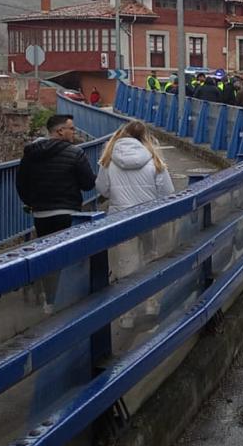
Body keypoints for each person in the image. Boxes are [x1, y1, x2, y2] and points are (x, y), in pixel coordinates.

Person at [96, 121, 176, 327]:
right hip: (149, 217)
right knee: (151, 258)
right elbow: (167, 192)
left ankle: (127, 315)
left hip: (120, 218)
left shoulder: (108, 160)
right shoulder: (155, 160)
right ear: (144, 139)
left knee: (126, 265)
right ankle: (151, 303)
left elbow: (103, 190)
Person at [17, 114, 96, 238]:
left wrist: (32, 203)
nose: (74, 132)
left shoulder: (31, 153)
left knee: (46, 249)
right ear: (60, 131)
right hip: (68, 212)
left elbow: (21, 184)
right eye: (71, 128)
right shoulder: (75, 153)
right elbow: (88, 184)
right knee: (68, 252)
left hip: (41, 214)